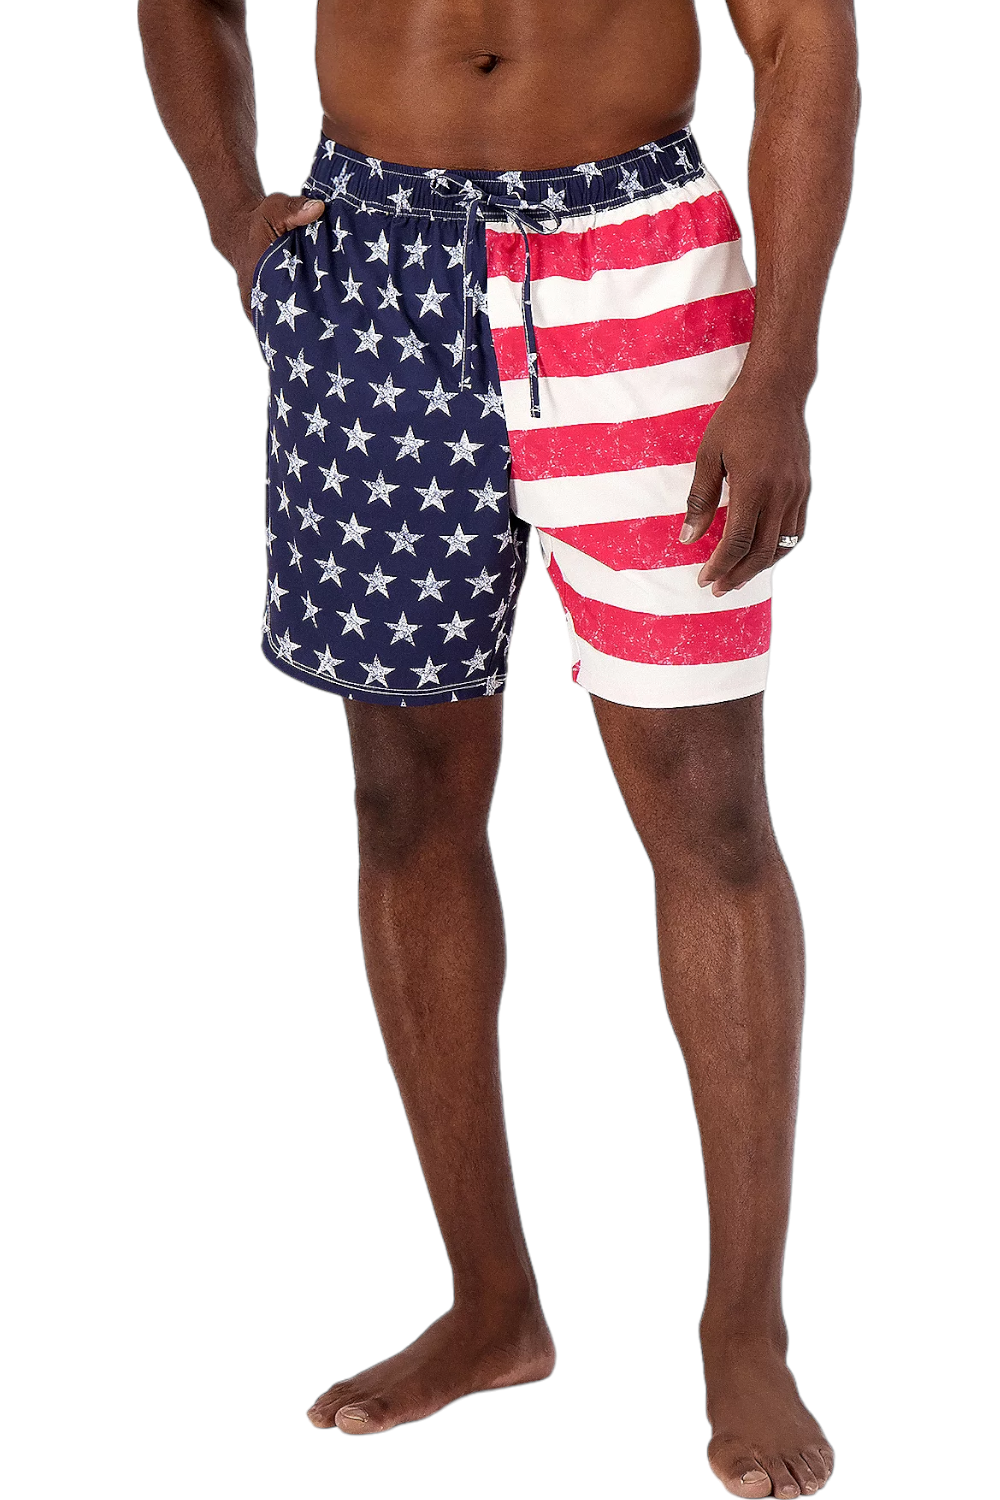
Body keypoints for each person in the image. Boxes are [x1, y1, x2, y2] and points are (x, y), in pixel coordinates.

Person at [139, 2, 859, 1493]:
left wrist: (780, 369)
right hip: (368, 275)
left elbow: (805, 39)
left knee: (712, 815)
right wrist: (231, 214)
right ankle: (489, 1305)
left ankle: (746, 1328)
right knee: (405, 801)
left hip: (638, 269)